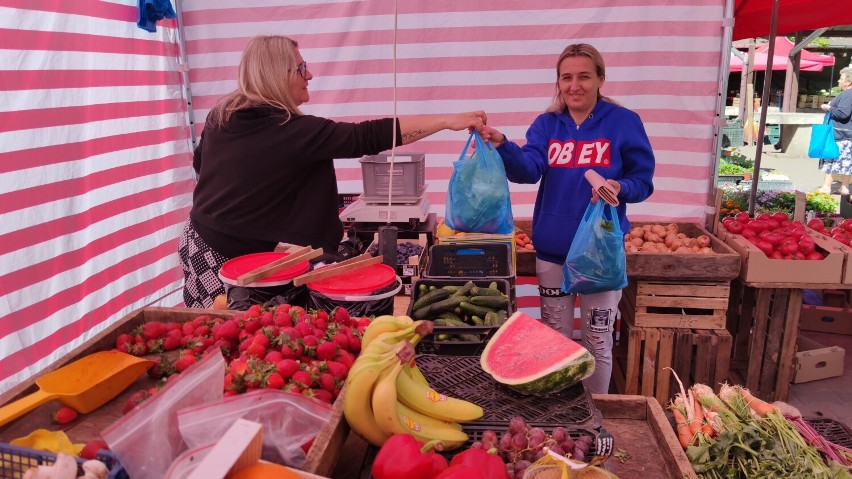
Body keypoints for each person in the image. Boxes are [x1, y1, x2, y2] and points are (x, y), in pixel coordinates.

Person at [180, 35, 487, 308]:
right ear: (277, 75)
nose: (309, 75)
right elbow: (366, 136)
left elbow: (201, 166)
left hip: (198, 240)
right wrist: (446, 121)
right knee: (231, 345)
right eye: (301, 68)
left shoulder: (222, 117)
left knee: (215, 341)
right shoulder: (294, 132)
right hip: (229, 258)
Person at [480, 43, 655, 394]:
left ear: (600, 79)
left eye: (584, 77)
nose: (575, 85)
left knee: (597, 341)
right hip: (553, 252)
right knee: (555, 340)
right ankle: (560, 416)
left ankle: (598, 416)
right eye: (567, 77)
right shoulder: (547, 125)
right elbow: (529, 170)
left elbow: (643, 181)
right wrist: (502, 144)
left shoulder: (623, 122)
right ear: (558, 82)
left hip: (601, 255)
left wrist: (618, 186)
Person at [817, 67, 852, 195]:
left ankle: (827, 186)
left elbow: (843, 113)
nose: (838, 81)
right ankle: (844, 188)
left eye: (841, 79)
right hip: (847, 134)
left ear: (848, 82)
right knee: (846, 162)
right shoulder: (848, 94)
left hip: (841, 134)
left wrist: (829, 108)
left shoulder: (848, 94)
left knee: (832, 158)